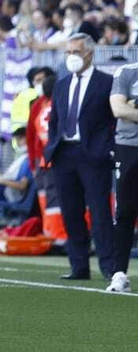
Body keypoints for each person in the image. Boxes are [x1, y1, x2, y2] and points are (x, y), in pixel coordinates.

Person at [45, 34, 117, 283]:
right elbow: (54, 119)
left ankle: (109, 267)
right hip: (64, 154)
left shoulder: (106, 82)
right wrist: (52, 146)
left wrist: (106, 149)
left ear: (89, 53)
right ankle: (79, 266)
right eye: (68, 52)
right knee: (71, 213)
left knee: (100, 213)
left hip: (93, 156)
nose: (71, 57)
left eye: (76, 51)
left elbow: (114, 118)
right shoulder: (61, 84)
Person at [103, 58, 138, 293]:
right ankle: (119, 273)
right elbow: (118, 109)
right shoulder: (127, 71)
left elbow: (127, 110)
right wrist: (128, 107)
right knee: (125, 211)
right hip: (128, 148)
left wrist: (133, 108)